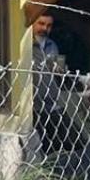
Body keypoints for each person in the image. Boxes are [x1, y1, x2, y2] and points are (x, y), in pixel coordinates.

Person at [31, 12, 67, 155]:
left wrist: (61, 69)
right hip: (33, 103)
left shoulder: (52, 45)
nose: (44, 28)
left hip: (51, 103)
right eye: (41, 23)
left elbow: (59, 69)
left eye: (48, 25)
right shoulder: (26, 43)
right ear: (32, 23)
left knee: (53, 145)